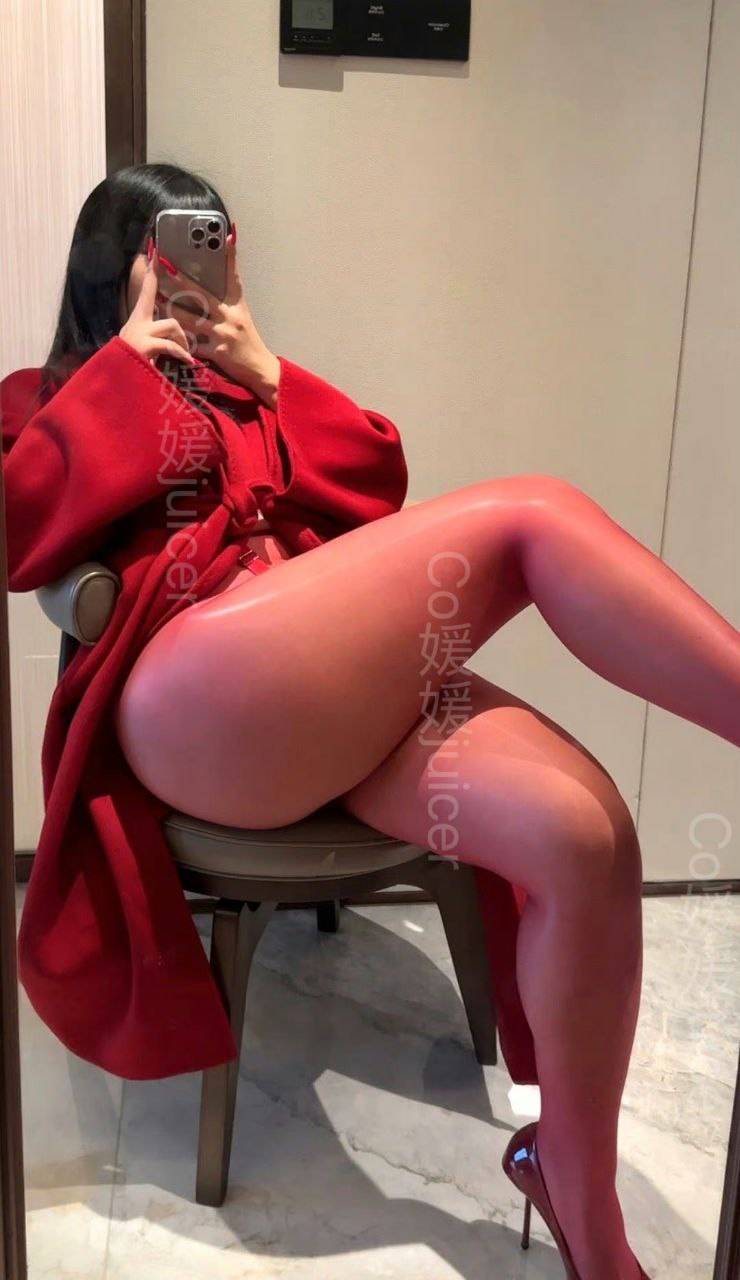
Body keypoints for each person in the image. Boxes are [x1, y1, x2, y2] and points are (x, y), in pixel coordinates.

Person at [3, 164, 739, 1280]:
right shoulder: (43, 396)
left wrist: (269, 374)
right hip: (195, 701)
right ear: (118, 268)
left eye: (213, 248)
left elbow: (376, 491)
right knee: (534, 514)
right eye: (169, 252)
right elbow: (19, 532)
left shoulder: (250, 384)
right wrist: (121, 377)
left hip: (330, 700)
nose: (195, 275)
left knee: (584, 837)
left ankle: (580, 1205)